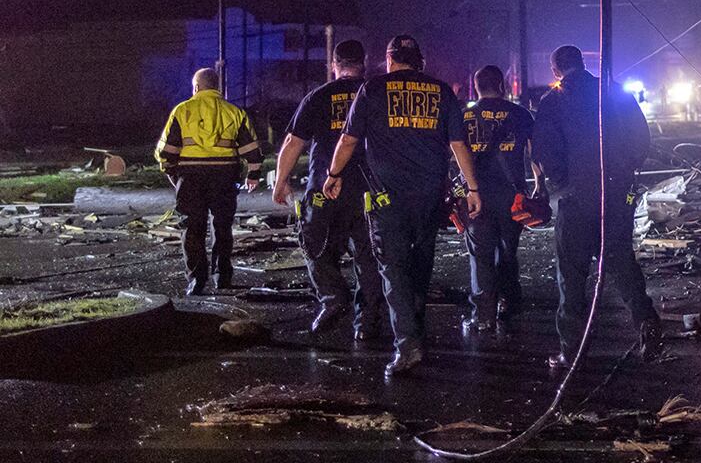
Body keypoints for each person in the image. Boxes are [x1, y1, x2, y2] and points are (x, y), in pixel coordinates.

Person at [321, 35, 482, 380]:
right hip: (428, 197)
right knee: (420, 264)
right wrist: (473, 188)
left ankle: (408, 342)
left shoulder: (373, 89)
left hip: (386, 198)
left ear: (390, 60)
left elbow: (348, 139)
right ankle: (415, 330)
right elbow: (458, 143)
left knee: (393, 268)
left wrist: (333, 174)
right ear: (419, 61)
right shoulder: (441, 91)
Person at [532, 44, 659, 368]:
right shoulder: (613, 91)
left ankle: (572, 350)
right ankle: (646, 323)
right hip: (616, 193)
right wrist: (626, 171)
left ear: (556, 70)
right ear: (582, 63)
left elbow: (545, 150)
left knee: (571, 274)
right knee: (619, 260)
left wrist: (562, 183)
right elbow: (640, 137)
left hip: (575, 198)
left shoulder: (553, 101)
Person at [273, 40, 386, 341]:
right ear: (364, 62)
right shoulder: (376, 94)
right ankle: (368, 321)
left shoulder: (318, 97)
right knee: (368, 255)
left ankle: (333, 298)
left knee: (316, 246)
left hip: (325, 188)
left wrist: (281, 181)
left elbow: (292, 143)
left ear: (334, 64)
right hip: (368, 189)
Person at [154, 68, 261, 296]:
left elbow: (166, 151)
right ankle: (222, 276)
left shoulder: (182, 111)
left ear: (196, 87)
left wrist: (172, 173)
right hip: (224, 175)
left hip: (190, 176)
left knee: (191, 228)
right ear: (217, 87)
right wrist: (253, 174)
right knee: (222, 227)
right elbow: (251, 149)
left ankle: (196, 280)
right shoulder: (234, 112)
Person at [460, 64, 534, 334]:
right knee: (507, 250)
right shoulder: (520, 114)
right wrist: (539, 185)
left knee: (480, 255)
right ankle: (508, 300)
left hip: (477, 194)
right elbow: (534, 153)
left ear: (476, 87)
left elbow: (455, 152)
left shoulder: (464, 116)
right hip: (512, 194)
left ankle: (484, 315)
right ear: (502, 85)